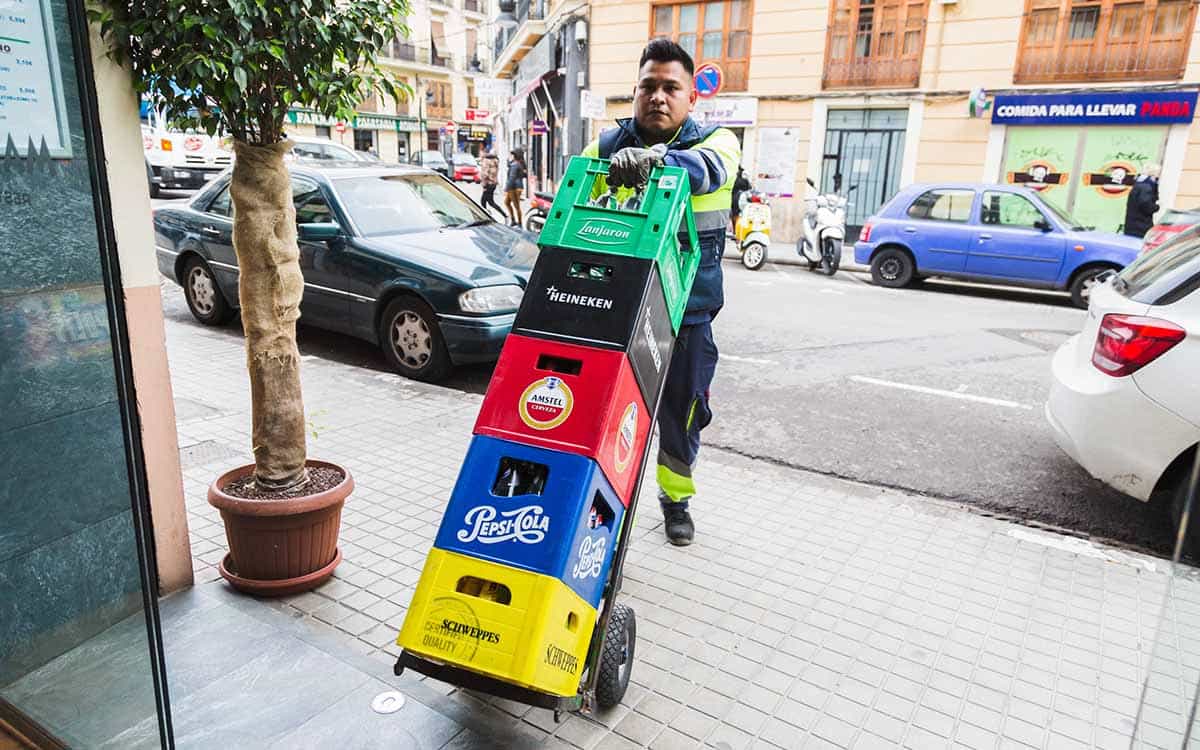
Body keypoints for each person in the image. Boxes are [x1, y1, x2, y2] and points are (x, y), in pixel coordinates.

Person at [582, 38, 741, 546]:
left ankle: (676, 501)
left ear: (691, 97)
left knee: (682, 415)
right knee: (606, 414)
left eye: (671, 88)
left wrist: (654, 159)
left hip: (687, 315)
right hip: (616, 312)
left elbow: (706, 171)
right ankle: (598, 499)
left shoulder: (719, 142)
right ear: (634, 92)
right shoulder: (602, 149)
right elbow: (576, 211)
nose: (658, 96)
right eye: (648, 86)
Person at [1124, 163, 1161, 238]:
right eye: (1158, 173)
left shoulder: (1138, 184)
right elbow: (1146, 205)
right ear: (1153, 173)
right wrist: (1156, 207)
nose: (1158, 176)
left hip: (1132, 224)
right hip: (1141, 226)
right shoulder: (1146, 187)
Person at [504, 149, 527, 226]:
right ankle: (513, 220)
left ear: (516, 155)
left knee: (516, 206)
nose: (511, 156)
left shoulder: (515, 165)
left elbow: (512, 178)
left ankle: (519, 223)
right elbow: (524, 175)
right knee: (507, 202)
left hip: (513, 187)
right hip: (518, 187)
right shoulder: (520, 163)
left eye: (512, 155)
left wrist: (506, 189)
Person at [479, 151, 503, 219]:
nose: (480, 154)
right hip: (493, 183)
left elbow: (485, 174)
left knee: (484, 202)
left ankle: (486, 216)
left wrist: (484, 185)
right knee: (489, 202)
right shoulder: (495, 161)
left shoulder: (486, 161)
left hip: (488, 184)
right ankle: (487, 215)